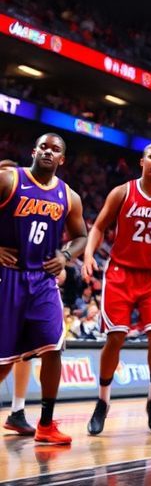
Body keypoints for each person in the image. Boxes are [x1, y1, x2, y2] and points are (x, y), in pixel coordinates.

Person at [82, 143, 151, 435]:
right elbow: (98, 227)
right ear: (142, 162)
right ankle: (102, 402)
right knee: (115, 337)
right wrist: (89, 254)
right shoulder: (122, 192)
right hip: (120, 271)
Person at [0, 133, 87, 444]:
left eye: (55, 149)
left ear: (62, 159)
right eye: (44, 147)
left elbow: (81, 236)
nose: (49, 152)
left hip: (43, 280)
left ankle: (46, 424)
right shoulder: (9, 180)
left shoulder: (69, 196)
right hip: (8, 276)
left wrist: (65, 256)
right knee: (4, 359)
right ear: (33, 151)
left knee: (53, 347)